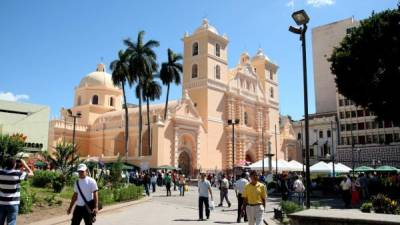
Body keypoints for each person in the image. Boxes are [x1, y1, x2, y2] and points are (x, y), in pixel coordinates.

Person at [0, 158, 34, 225]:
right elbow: (32, 174)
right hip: (13, 203)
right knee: (11, 223)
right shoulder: (18, 174)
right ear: (14, 164)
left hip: (1, 202)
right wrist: (24, 164)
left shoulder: (0, 173)